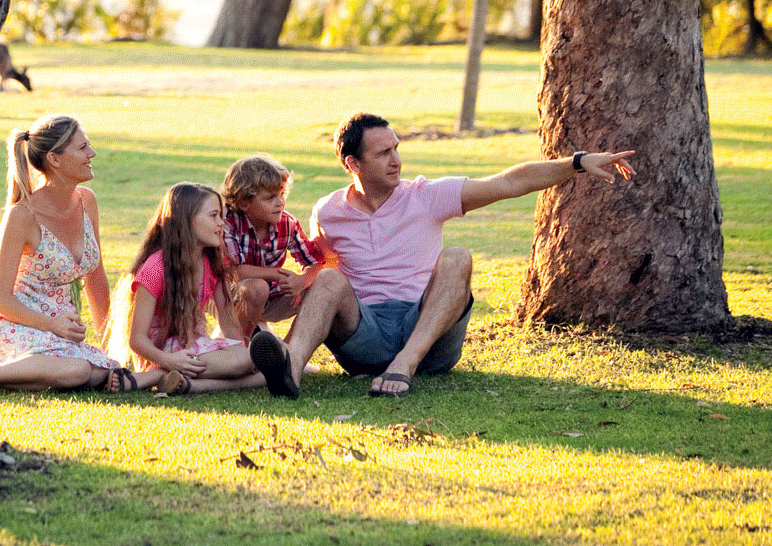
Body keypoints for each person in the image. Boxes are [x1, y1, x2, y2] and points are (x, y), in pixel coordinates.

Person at [247, 112, 636, 399]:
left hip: (427, 332)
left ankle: (405, 365)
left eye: (396, 149)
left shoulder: (426, 195)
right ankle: (289, 371)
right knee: (331, 281)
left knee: (456, 257)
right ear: (353, 164)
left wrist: (577, 162)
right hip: (364, 335)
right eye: (383, 153)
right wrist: (295, 282)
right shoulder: (328, 211)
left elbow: (508, 182)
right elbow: (324, 266)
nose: (396, 160)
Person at [0, 114, 158, 394]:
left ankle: (8, 375)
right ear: (55, 159)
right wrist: (53, 324)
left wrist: (111, 350)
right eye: (83, 148)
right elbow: (1, 300)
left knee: (97, 372)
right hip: (19, 328)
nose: (92, 153)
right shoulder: (22, 215)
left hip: (62, 335)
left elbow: (95, 280)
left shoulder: (87, 201)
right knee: (78, 370)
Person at [104, 182, 273, 396]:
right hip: (163, 353)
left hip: (195, 347)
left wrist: (239, 352)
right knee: (254, 361)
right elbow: (137, 339)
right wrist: (169, 360)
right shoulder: (156, 268)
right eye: (213, 216)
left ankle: (179, 382)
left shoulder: (212, 261)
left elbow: (230, 327)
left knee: (268, 360)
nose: (221, 224)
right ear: (186, 221)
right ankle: (157, 373)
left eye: (220, 216)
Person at [220, 153, 328, 343]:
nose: (280, 202)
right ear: (244, 203)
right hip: (227, 295)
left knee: (323, 285)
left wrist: (303, 280)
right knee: (256, 287)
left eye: (282, 194)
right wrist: (278, 275)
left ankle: (288, 352)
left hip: (270, 296)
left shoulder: (287, 223)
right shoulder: (227, 223)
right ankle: (239, 350)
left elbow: (317, 262)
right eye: (270, 198)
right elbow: (234, 272)